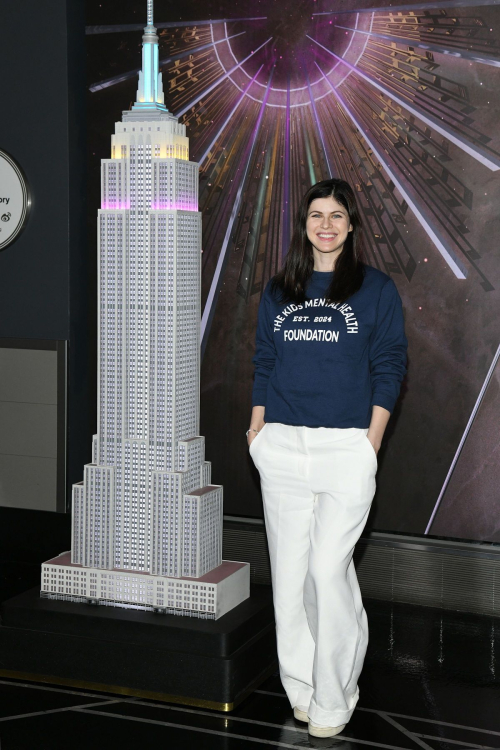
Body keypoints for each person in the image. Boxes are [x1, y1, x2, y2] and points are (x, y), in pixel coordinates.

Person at [248, 178, 408, 738]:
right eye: (317, 213)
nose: (326, 223)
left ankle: (336, 697)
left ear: (351, 225)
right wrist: (257, 432)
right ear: (305, 225)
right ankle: (303, 688)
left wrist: (371, 443)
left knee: (325, 572)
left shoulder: (375, 289)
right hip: (283, 447)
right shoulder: (280, 289)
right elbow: (264, 359)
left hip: (346, 449)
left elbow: (390, 364)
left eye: (337, 214)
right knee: (290, 581)